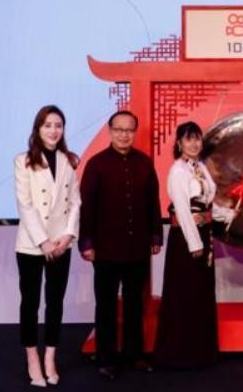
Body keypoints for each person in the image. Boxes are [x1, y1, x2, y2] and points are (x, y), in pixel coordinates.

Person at [78, 110, 163, 380]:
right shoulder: (96, 164)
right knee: (106, 305)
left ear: (134, 132)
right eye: (119, 129)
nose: (124, 135)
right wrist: (86, 243)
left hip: (137, 247)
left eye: (129, 130)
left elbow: (153, 203)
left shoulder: (144, 163)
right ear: (110, 131)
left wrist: (156, 235)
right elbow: (86, 208)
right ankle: (106, 358)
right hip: (105, 249)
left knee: (134, 304)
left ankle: (134, 355)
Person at [153, 122, 235, 368]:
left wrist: (226, 214)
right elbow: (182, 210)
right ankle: (178, 355)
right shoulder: (178, 171)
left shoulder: (200, 167)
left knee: (201, 294)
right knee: (184, 294)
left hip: (204, 235)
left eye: (197, 139)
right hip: (186, 240)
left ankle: (201, 352)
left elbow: (206, 203)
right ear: (179, 143)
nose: (194, 144)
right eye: (188, 139)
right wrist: (194, 243)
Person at [14, 105, 81, 387]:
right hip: (32, 244)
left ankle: (50, 356)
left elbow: (75, 201)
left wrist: (68, 236)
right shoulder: (23, 161)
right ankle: (32, 357)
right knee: (30, 303)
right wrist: (43, 241)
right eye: (48, 125)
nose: (54, 130)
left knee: (55, 302)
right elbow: (25, 205)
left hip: (61, 243)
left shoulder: (69, 160)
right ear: (38, 128)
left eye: (58, 125)